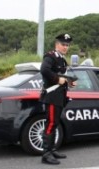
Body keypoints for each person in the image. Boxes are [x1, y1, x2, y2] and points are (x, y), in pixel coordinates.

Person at [39, 33, 76, 165]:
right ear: (57, 45)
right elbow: (44, 70)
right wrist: (57, 79)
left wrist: (68, 82)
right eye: (63, 44)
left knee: (54, 123)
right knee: (50, 123)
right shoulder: (51, 57)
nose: (65, 47)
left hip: (59, 96)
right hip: (52, 96)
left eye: (67, 45)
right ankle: (46, 153)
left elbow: (62, 76)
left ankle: (52, 149)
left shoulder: (62, 59)